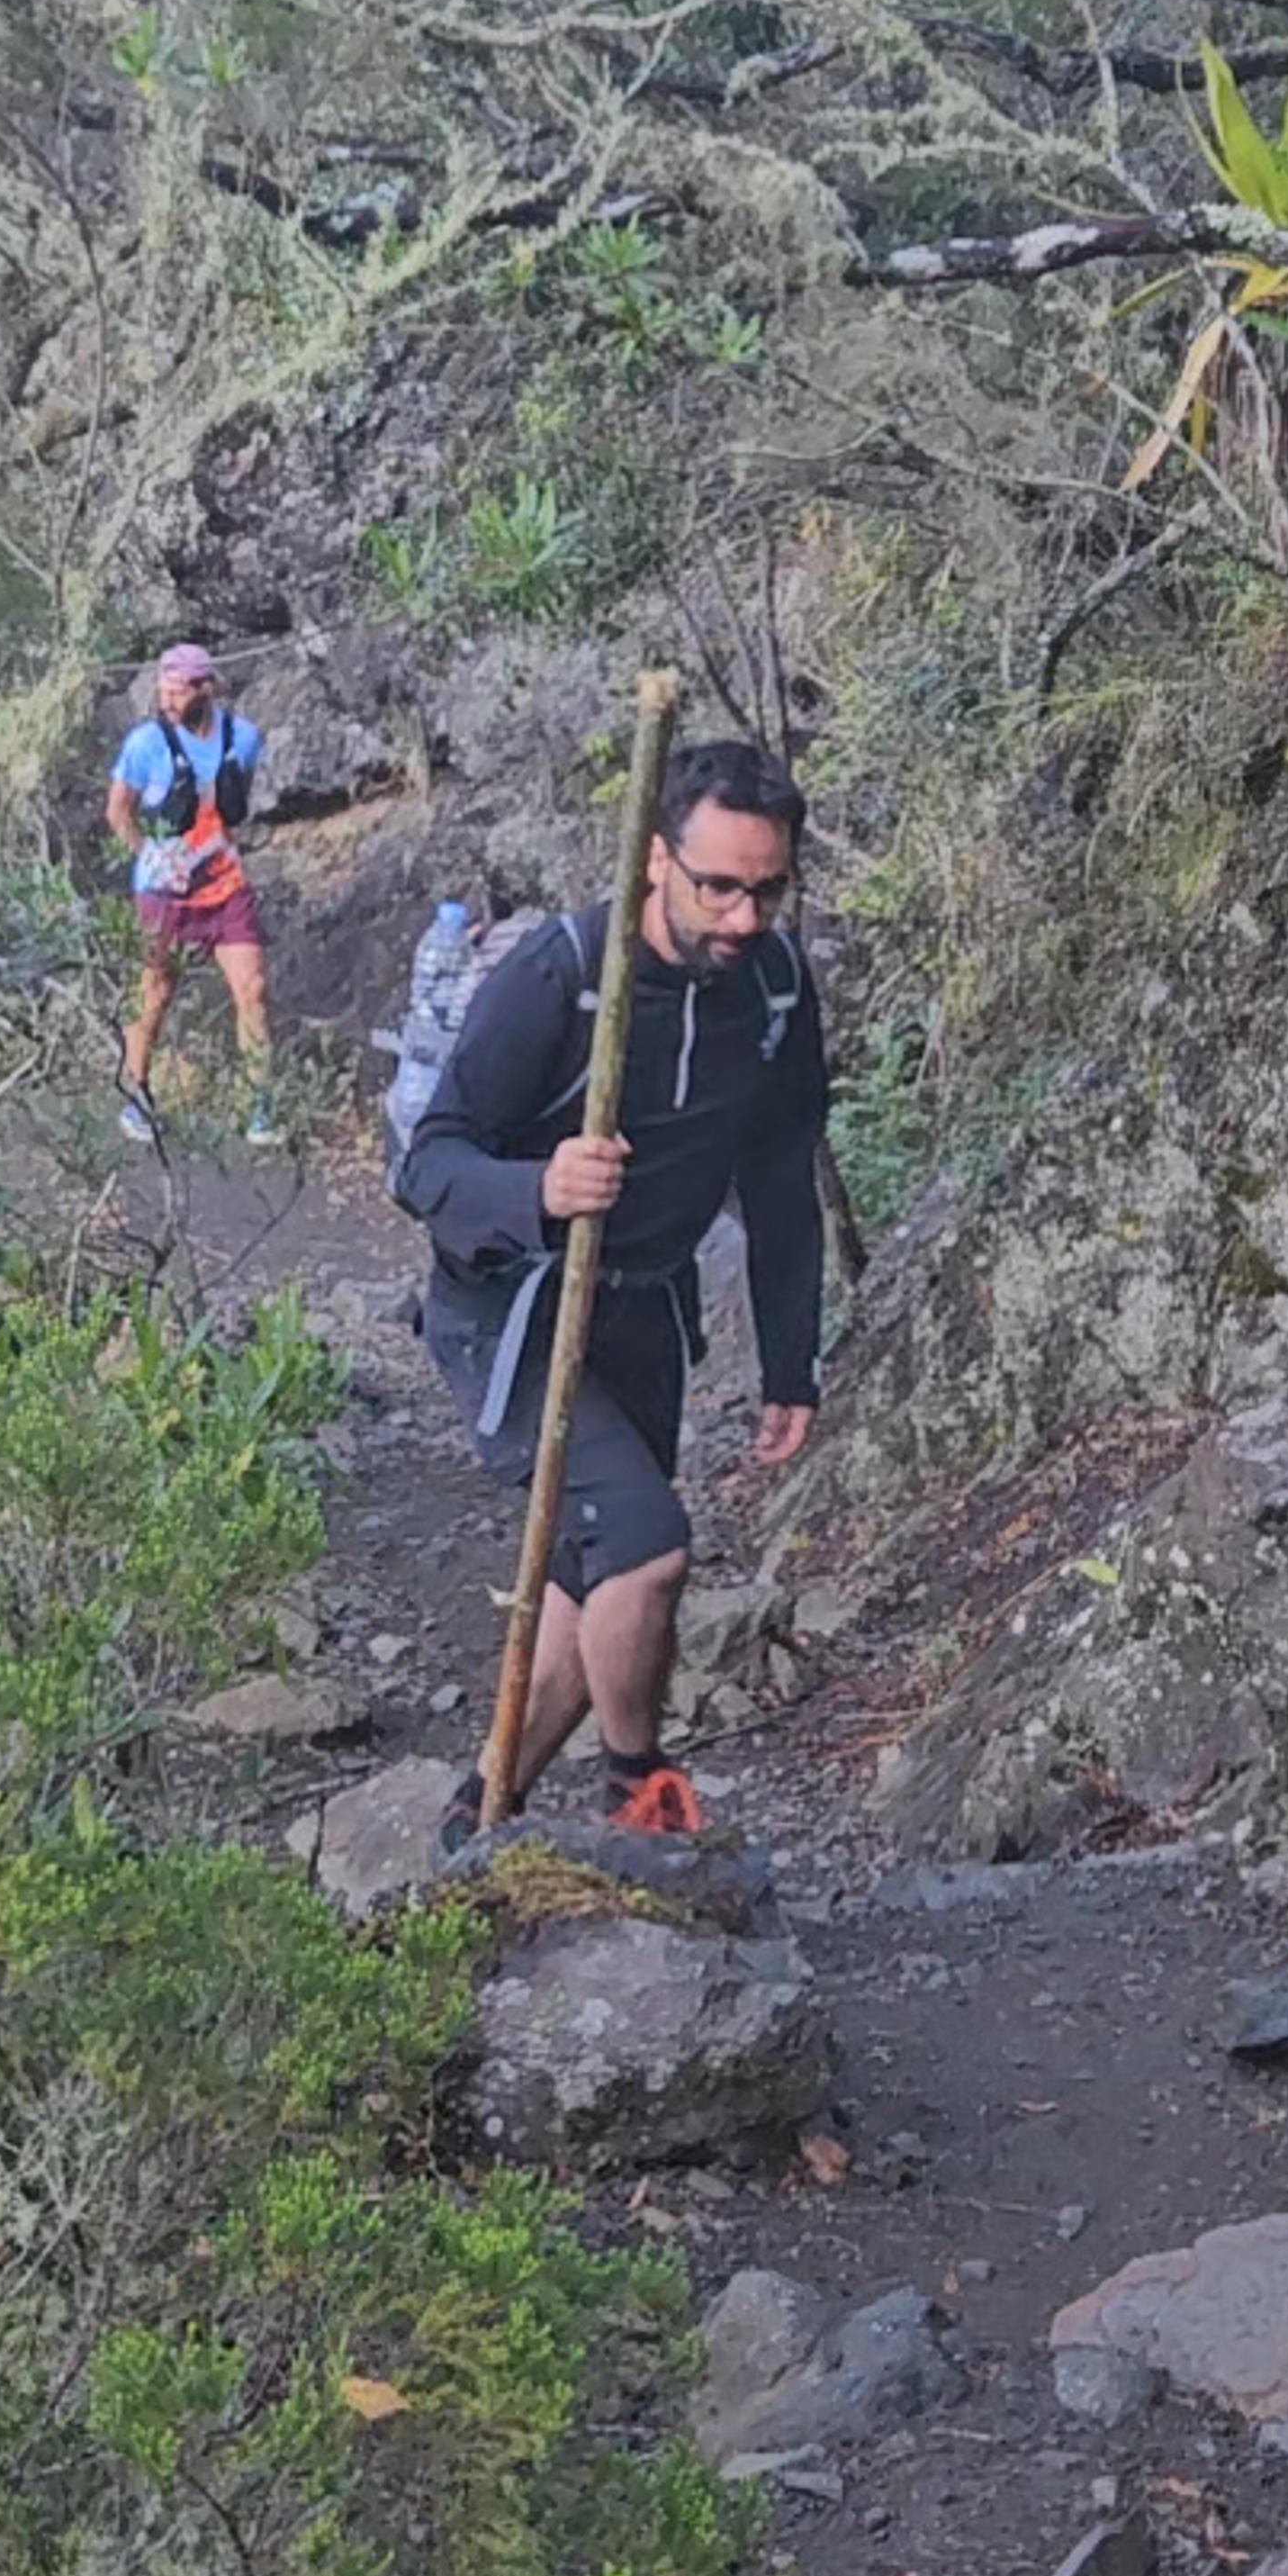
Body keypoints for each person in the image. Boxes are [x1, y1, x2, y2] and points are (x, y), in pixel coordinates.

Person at [396, 739, 827, 1833]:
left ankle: (473, 1826)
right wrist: (539, 1184)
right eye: (719, 885)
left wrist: (791, 1362)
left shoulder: (773, 988)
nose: (742, 917)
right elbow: (430, 1160)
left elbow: (780, 1183)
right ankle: (641, 1791)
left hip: (643, 1309)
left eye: (766, 889)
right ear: (654, 859)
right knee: (646, 1549)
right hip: (515, 1309)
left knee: (594, 1597)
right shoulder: (566, 975)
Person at [106, 637, 282, 1147]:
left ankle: (261, 1106)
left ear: (207, 688)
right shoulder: (145, 745)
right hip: (165, 895)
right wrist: (149, 854)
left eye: (179, 691)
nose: (168, 700)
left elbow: (233, 804)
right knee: (155, 993)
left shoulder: (243, 739)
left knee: (252, 990)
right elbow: (119, 811)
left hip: (225, 887)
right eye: (164, 690)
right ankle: (137, 1094)